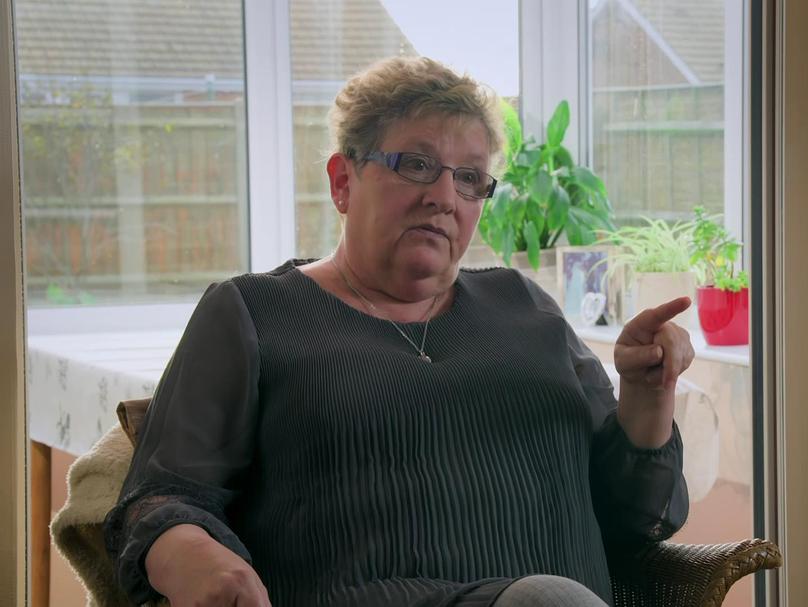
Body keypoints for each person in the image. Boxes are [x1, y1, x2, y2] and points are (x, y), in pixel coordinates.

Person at [104, 56, 694, 607]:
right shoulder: (253, 313)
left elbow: (638, 520)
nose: (443, 197)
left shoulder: (526, 306)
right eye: (416, 165)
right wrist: (192, 552)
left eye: (470, 178)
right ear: (343, 180)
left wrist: (647, 394)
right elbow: (159, 499)